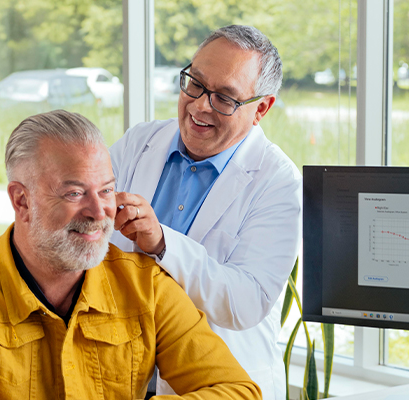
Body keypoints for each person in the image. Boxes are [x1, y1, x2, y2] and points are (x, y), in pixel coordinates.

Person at [0, 110, 260, 400]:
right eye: (75, 193)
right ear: (22, 201)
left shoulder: (147, 286)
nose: (99, 211)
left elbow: (238, 391)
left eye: (106, 189)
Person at [110, 25, 301, 399]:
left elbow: (247, 301)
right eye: (194, 84)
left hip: (216, 383)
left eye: (225, 98)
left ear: (261, 108)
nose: (200, 105)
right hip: (122, 372)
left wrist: (163, 242)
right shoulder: (140, 142)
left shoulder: (278, 181)